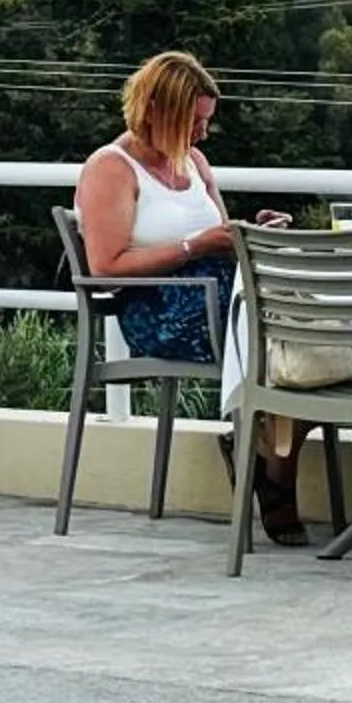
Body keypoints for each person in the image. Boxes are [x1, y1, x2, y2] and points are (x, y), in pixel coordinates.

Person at [74, 50, 306, 544]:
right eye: (194, 121)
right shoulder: (111, 168)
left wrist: (249, 234)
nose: (203, 133)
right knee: (290, 340)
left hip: (218, 296)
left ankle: (267, 460)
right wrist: (193, 247)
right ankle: (270, 469)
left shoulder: (195, 162)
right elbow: (106, 267)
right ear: (156, 109)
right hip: (158, 309)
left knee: (301, 339)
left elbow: (220, 234)